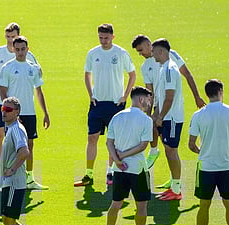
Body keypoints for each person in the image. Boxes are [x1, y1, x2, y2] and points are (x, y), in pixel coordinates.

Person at [131, 34, 206, 174]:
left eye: (141, 50)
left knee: (171, 148)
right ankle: (156, 154)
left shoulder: (170, 59)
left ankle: (175, 183)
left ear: (149, 45)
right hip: (160, 105)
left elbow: (186, 75)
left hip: (170, 110)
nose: (140, 54)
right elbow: (150, 91)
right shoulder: (148, 66)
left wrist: (197, 96)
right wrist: (150, 114)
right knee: (167, 146)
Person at [0, 97, 48, 225]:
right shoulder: (12, 129)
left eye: (8, 109)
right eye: (3, 109)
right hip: (12, 183)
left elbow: (24, 152)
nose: (4, 112)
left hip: (14, 182)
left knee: (8, 219)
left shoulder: (16, 130)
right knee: (9, 220)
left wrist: (11, 169)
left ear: (17, 113)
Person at [75, 23, 136, 187]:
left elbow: (132, 74)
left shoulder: (121, 53)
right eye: (101, 38)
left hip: (116, 104)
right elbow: (87, 74)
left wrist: (125, 95)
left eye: (106, 38)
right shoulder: (93, 53)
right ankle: (89, 174)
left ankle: (111, 172)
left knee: (114, 140)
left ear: (113, 37)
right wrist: (90, 94)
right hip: (97, 102)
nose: (103, 41)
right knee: (92, 137)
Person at [0, 22, 39, 183]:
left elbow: (37, 74)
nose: (10, 40)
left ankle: (21, 174)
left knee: (20, 140)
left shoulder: (27, 55)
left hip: (19, 107)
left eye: (13, 37)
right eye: (7, 37)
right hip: (0, 103)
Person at [188, 79, 229, 225]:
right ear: (220, 91)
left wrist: (203, 152)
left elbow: (191, 144)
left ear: (207, 93)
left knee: (204, 205)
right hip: (228, 166)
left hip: (206, 168)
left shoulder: (198, 115)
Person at [104, 86, 153, 225]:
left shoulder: (117, 117)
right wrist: (123, 156)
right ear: (141, 99)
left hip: (119, 170)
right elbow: (143, 146)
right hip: (137, 169)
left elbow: (109, 142)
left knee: (116, 204)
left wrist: (117, 160)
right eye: (147, 99)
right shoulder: (146, 120)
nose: (148, 103)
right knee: (141, 205)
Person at [0, 36, 50, 190]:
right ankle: (8, 175)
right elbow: (3, 92)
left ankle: (29, 178)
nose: (20, 52)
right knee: (11, 145)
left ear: (28, 49)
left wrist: (46, 113)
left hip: (29, 113)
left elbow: (39, 92)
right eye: (17, 49)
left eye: (23, 49)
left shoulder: (33, 69)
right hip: (14, 114)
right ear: (13, 49)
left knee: (30, 145)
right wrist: (9, 112)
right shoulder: (7, 68)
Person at [151, 39, 183, 201]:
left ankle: (177, 190)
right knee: (169, 151)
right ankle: (174, 186)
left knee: (171, 151)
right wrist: (156, 114)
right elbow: (162, 97)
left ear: (162, 52)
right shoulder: (164, 68)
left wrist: (161, 116)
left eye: (154, 51)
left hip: (172, 118)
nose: (152, 53)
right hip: (167, 117)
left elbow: (169, 98)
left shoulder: (170, 69)